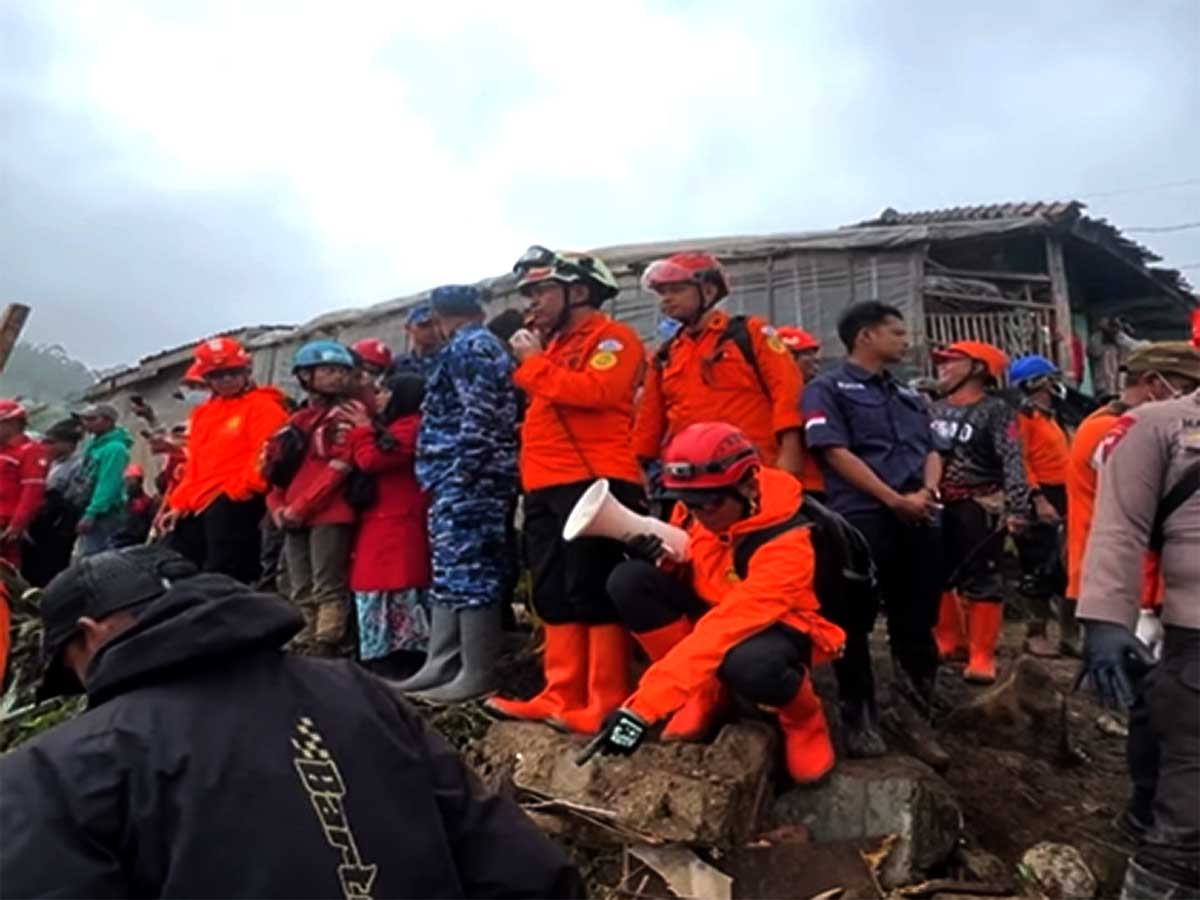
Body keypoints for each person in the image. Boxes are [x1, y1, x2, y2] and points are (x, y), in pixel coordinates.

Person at [0, 545, 580, 898]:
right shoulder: (356, 692)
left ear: (90, 632)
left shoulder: (54, 771)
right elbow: (517, 867)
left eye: (71, 667)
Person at [589, 423, 845, 783]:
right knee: (629, 582)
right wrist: (665, 561)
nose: (699, 514)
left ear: (747, 486)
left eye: (709, 505)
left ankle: (803, 718)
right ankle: (703, 691)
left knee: (750, 663)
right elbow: (700, 563)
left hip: (775, 623)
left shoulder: (788, 540)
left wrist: (642, 708)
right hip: (713, 610)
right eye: (688, 504)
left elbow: (728, 626)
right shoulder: (699, 506)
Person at [485, 246, 645, 733]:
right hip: (544, 483)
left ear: (578, 291)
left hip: (596, 480)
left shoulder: (614, 339)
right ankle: (560, 693)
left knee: (591, 589)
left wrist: (532, 363)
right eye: (528, 292)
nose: (531, 301)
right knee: (551, 589)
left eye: (540, 290)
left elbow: (598, 394)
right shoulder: (548, 347)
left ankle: (604, 698)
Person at [1076, 384, 1200, 900]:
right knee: (1189, 817)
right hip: (1196, 642)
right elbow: (1118, 527)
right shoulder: (1157, 426)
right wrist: (1106, 620)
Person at [801, 302, 942, 755]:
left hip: (918, 512)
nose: (905, 340)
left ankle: (919, 713)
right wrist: (892, 498)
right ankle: (859, 716)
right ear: (865, 336)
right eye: (896, 332)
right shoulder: (827, 389)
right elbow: (833, 451)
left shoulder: (907, 394)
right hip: (860, 516)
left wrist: (927, 492)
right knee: (852, 621)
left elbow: (932, 447)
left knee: (918, 616)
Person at [398, 285, 518, 702]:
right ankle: (442, 663)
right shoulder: (467, 347)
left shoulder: (472, 348)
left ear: (438, 315)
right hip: (451, 477)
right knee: (450, 571)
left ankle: (476, 672)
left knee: (471, 571)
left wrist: (464, 472)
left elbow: (482, 415)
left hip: (469, 478)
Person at [1064, 343, 1200, 656]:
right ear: (1153, 383)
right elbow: (1131, 523)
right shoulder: (1119, 429)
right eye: (1187, 387)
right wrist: (1144, 605)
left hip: (1131, 580)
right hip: (1122, 581)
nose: (1191, 397)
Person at [633, 252, 805, 477]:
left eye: (676, 290)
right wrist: (638, 471)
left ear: (709, 291)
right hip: (693, 480)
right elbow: (648, 425)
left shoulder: (751, 333)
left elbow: (787, 394)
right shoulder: (664, 355)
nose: (666, 298)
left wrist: (789, 462)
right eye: (662, 292)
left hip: (757, 471)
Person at [929, 341, 1029, 684]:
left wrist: (1017, 507)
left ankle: (982, 653)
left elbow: (1013, 459)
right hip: (938, 503)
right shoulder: (932, 408)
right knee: (938, 572)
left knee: (983, 576)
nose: (941, 367)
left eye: (950, 362)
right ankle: (948, 639)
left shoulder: (996, 411)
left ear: (976, 368)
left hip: (980, 503)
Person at [157, 337, 288, 581]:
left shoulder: (265, 407)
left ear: (246, 370)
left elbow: (266, 457)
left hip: (236, 504)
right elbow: (195, 464)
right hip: (199, 503)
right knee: (172, 566)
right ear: (207, 379)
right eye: (217, 375)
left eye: (232, 372)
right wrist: (180, 504)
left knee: (221, 575)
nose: (226, 380)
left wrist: (235, 493)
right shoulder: (203, 413)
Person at [267, 340, 368, 656]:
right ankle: (303, 635)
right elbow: (275, 471)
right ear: (305, 376)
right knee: (299, 584)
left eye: (341, 371)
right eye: (328, 370)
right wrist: (278, 507)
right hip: (293, 513)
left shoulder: (349, 414)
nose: (337, 377)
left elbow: (340, 466)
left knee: (328, 583)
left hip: (330, 512)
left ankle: (327, 641)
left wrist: (301, 506)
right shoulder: (295, 421)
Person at [348, 372, 431, 679]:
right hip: (386, 518)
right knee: (380, 586)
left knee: (393, 586)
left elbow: (371, 460)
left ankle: (394, 655)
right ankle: (380, 652)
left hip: (397, 518)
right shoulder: (397, 427)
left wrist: (361, 431)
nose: (379, 398)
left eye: (385, 392)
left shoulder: (411, 427)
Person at [1009, 354, 1071, 656]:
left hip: (1064, 491)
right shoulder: (1022, 418)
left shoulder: (1051, 415)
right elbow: (1019, 461)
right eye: (1051, 378)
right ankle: (1036, 634)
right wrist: (1038, 499)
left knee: (1066, 564)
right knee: (1038, 564)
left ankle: (1069, 634)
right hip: (1038, 494)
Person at [24, 418, 88, 587]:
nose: (47, 446)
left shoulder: (77, 466)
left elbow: (74, 497)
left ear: (68, 444)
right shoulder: (49, 463)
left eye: (52, 442)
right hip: (38, 521)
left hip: (58, 524)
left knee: (51, 567)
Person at [76, 402, 133, 557]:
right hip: (90, 506)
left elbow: (108, 483)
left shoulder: (114, 448)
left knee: (96, 557)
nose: (86, 423)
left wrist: (91, 513)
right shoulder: (94, 445)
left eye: (92, 419)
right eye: (84, 419)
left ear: (108, 421)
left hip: (105, 512)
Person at [777, 325, 826, 500]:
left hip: (818, 484)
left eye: (814, 355)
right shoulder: (771, 397)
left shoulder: (818, 392)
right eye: (807, 356)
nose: (814, 362)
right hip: (792, 485)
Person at [0, 399, 48, 570]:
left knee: (7, 569)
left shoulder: (30, 451)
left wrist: (17, 524)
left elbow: (32, 490)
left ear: (13, 423)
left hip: (6, 523)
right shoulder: (3, 451)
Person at [390, 303, 445, 377]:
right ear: (408, 328)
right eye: (424, 325)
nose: (432, 329)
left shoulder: (450, 356)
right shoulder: (400, 364)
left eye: (436, 324)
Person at [119, 464, 156, 545]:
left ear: (140, 481)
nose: (128, 484)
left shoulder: (148, 503)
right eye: (127, 480)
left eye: (131, 480)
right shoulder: (125, 503)